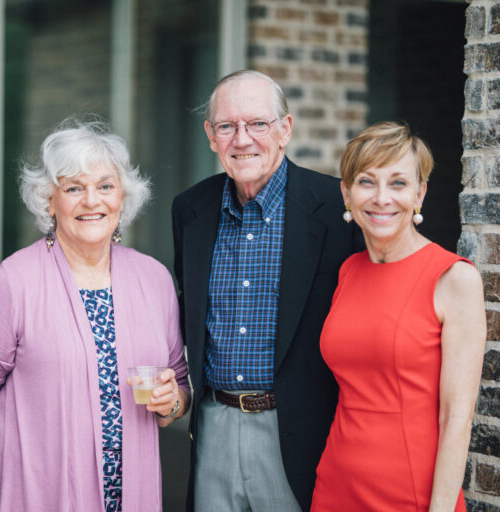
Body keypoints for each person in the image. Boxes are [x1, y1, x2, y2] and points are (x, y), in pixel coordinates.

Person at [0, 118, 190, 512]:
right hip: (36, 494)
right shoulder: (16, 279)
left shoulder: (155, 280)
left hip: (129, 495)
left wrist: (172, 401)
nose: (92, 201)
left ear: (122, 198)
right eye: (74, 188)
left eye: (105, 186)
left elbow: (181, 386)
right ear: (49, 201)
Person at [172, 69, 364, 511]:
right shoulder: (190, 209)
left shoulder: (338, 208)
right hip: (213, 428)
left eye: (257, 123)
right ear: (210, 135)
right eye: (227, 126)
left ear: (285, 130)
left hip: (299, 432)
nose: (242, 139)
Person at [310, 121, 486, 511]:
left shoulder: (454, 278)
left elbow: (455, 417)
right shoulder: (348, 271)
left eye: (399, 183)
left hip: (410, 494)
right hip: (335, 486)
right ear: (346, 193)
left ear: (420, 193)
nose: (382, 198)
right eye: (367, 182)